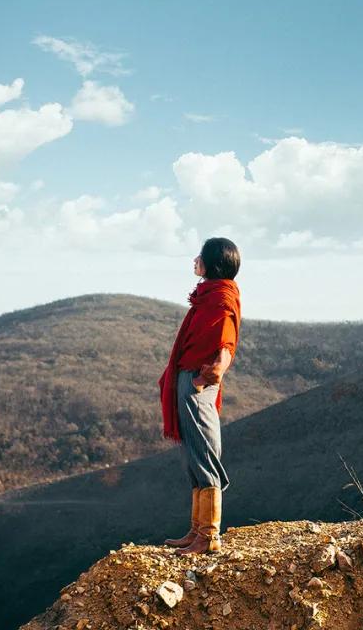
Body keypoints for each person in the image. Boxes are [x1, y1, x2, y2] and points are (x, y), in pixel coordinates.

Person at [157, 237, 241, 554]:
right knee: (194, 456)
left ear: (212, 264)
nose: (195, 260)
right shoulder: (208, 296)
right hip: (189, 378)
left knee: (204, 455)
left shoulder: (220, 298)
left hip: (197, 382)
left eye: (201, 256)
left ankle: (209, 536)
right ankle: (196, 531)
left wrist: (209, 375)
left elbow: (226, 342)